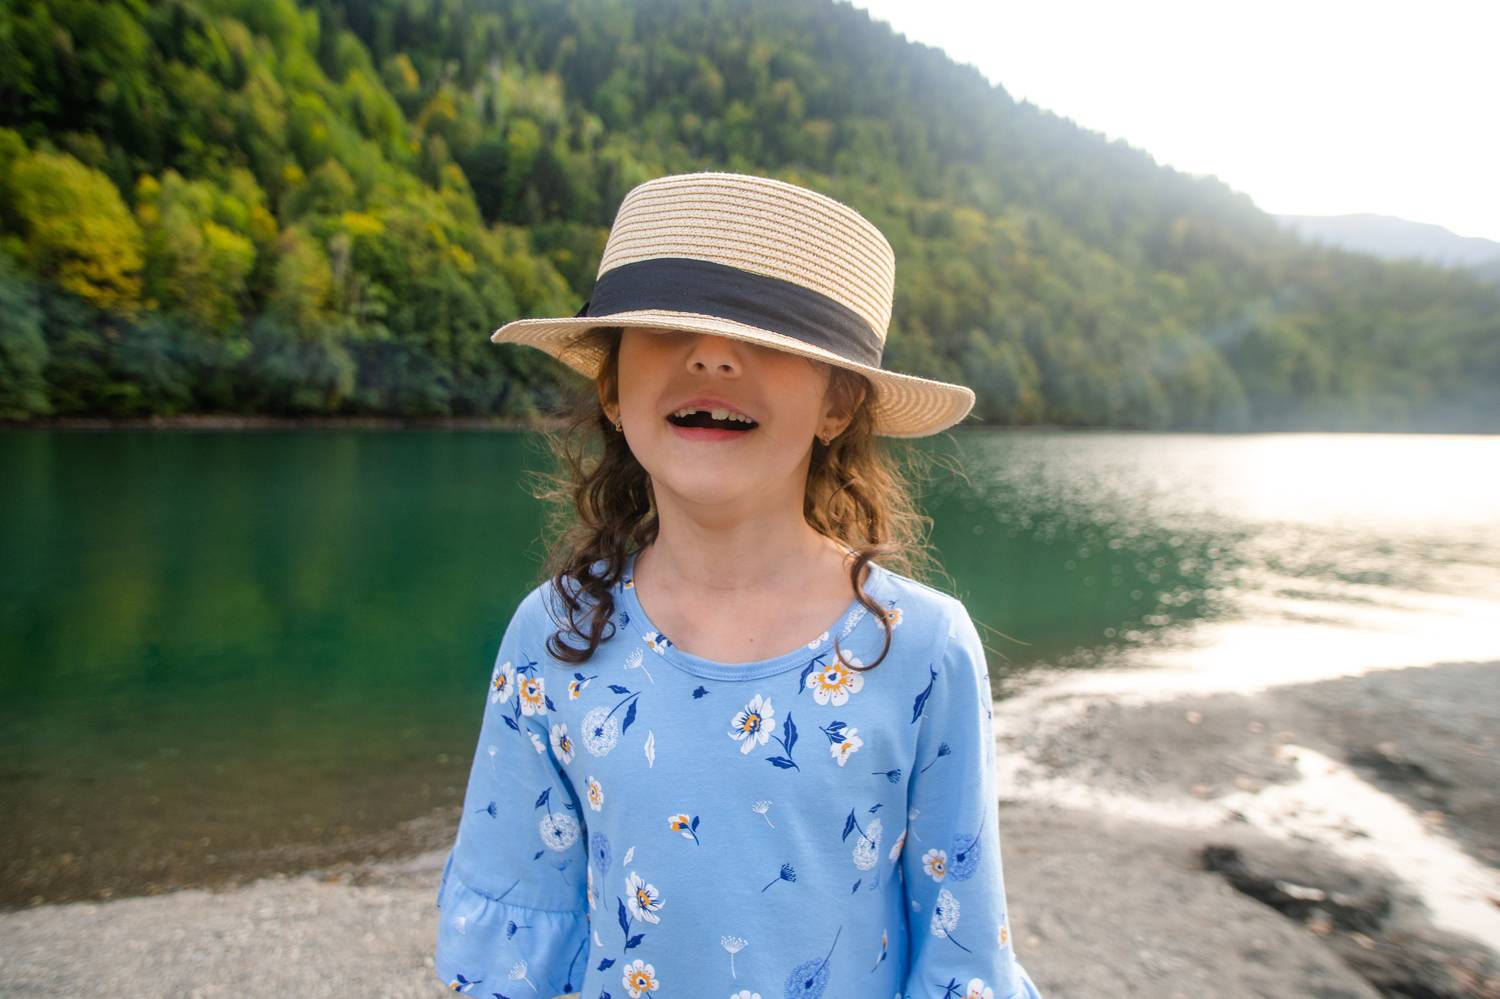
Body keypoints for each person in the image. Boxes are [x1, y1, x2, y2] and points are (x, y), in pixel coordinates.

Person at [433, 171, 1043, 999]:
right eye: (668, 327)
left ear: (837, 404)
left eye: (768, 337)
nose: (713, 355)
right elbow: (518, 940)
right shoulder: (556, 632)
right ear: (612, 387)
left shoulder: (922, 649)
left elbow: (957, 946)